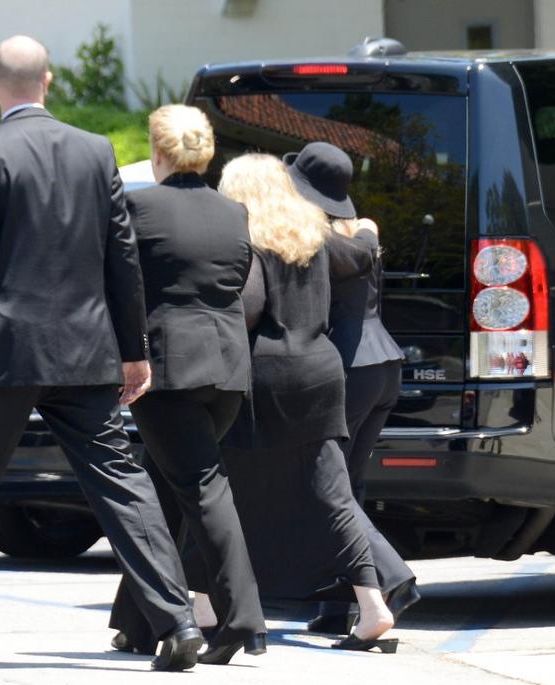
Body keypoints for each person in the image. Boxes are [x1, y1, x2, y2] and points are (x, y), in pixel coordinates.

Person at [0, 36, 203, 671]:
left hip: (6, 354)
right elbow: (122, 256)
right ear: (49, 81)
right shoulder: (95, 151)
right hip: (87, 349)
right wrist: (135, 350)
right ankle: (177, 623)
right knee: (121, 482)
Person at [106, 105, 267, 665]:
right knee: (164, 487)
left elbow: (120, 286)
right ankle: (136, 622)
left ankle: (242, 617)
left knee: (201, 489)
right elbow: (237, 282)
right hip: (227, 372)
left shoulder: (138, 207)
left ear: (157, 152)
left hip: (169, 370)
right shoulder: (233, 212)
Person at [217, 153, 396, 652]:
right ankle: (373, 605)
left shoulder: (249, 244)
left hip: (268, 377)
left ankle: (227, 614)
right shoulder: (314, 237)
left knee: (221, 491)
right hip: (322, 371)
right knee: (333, 494)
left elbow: (248, 309)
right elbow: (362, 255)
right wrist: (368, 232)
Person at [285, 142, 420, 632]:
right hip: (383, 363)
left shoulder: (316, 241)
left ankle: (392, 578)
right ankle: (341, 605)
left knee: (325, 488)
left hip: (349, 368)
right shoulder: (358, 234)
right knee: (349, 487)